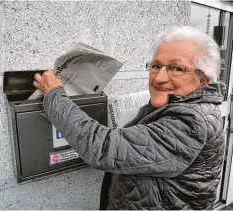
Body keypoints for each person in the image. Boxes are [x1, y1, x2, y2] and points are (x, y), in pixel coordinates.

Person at [33, 26, 225, 210]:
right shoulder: (177, 106)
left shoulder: (192, 121)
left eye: (176, 68)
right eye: (156, 65)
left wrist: (54, 95)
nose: (159, 78)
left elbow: (102, 148)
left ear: (203, 80)